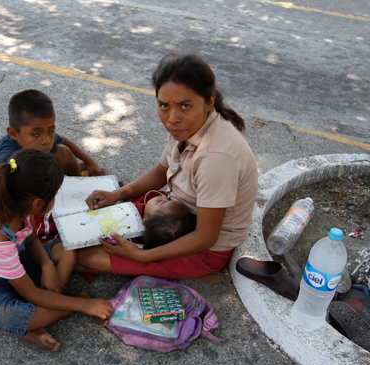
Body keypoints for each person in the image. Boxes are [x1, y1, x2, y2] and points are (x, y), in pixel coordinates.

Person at [75, 54, 258, 280]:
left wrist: (143, 256)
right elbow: (161, 171)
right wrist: (117, 194)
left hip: (201, 248)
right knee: (82, 228)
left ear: (209, 102)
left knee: (84, 258)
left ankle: (189, 270)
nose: (172, 118)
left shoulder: (217, 157)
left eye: (185, 106)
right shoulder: (186, 127)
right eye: (164, 105)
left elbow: (206, 236)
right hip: (170, 212)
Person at [0, 149, 113, 352]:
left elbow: (31, 240)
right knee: (13, 316)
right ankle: (52, 312)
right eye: (55, 195)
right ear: (37, 203)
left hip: (16, 259)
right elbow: (31, 294)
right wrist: (84, 306)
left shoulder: (19, 205)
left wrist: (47, 266)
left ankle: (49, 308)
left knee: (67, 249)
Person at [0, 89, 102, 209]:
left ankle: (77, 181)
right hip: (7, 181)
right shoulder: (7, 158)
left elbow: (62, 139)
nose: (46, 140)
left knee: (63, 151)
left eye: (50, 130)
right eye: (35, 134)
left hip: (36, 165)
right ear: (13, 133)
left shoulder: (43, 142)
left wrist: (90, 161)